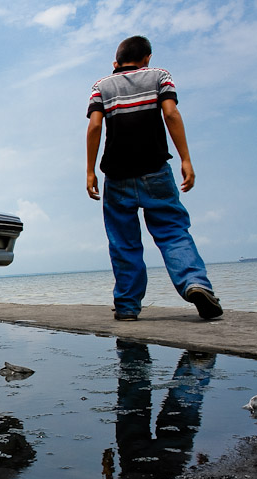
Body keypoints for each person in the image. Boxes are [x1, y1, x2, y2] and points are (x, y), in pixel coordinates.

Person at [86, 35, 222, 321]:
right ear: (147, 58)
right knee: (172, 232)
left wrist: (90, 170)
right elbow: (171, 114)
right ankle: (194, 283)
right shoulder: (160, 76)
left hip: (117, 175)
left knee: (123, 242)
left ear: (116, 63)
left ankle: (127, 306)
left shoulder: (101, 86)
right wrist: (186, 158)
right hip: (155, 170)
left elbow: (95, 126)